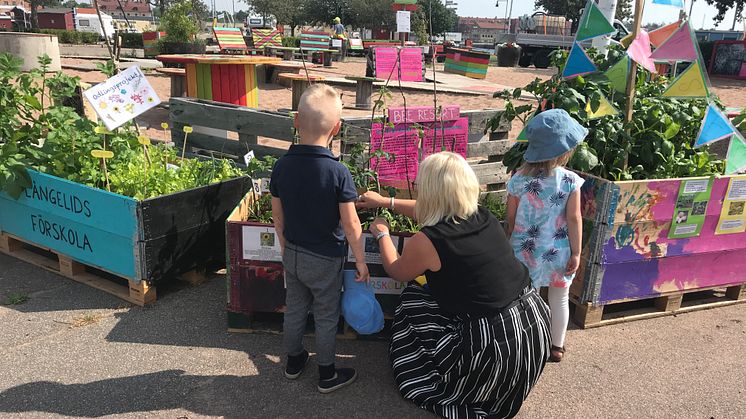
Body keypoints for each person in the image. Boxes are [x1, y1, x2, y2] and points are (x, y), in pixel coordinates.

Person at [358, 152, 551, 418]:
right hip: (533, 326)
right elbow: (430, 210)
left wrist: (382, 234)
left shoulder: (428, 241)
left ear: (430, 191)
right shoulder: (482, 216)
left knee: (414, 297)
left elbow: (397, 271)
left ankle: (435, 370)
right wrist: (386, 202)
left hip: (492, 346)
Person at [270, 84, 369, 393]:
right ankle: (327, 374)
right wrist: (361, 260)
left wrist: (286, 247)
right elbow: (351, 224)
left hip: (294, 253)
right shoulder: (337, 172)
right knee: (326, 314)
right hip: (326, 258)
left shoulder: (281, 167)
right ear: (336, 129)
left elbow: (277, 216)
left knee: (296, 307)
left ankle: (294, 360)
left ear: (296, 120)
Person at [505, 108, 586, 363]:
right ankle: (556, 346)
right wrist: (576, 251)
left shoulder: (518, 180)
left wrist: (509, 242)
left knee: (528, 297)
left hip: (525, 250)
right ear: (564, 150)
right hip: (558, 251)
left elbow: (511, 218)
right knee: (560, 297)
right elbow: (574, 218)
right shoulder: (571, 181)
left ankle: (529, 342)